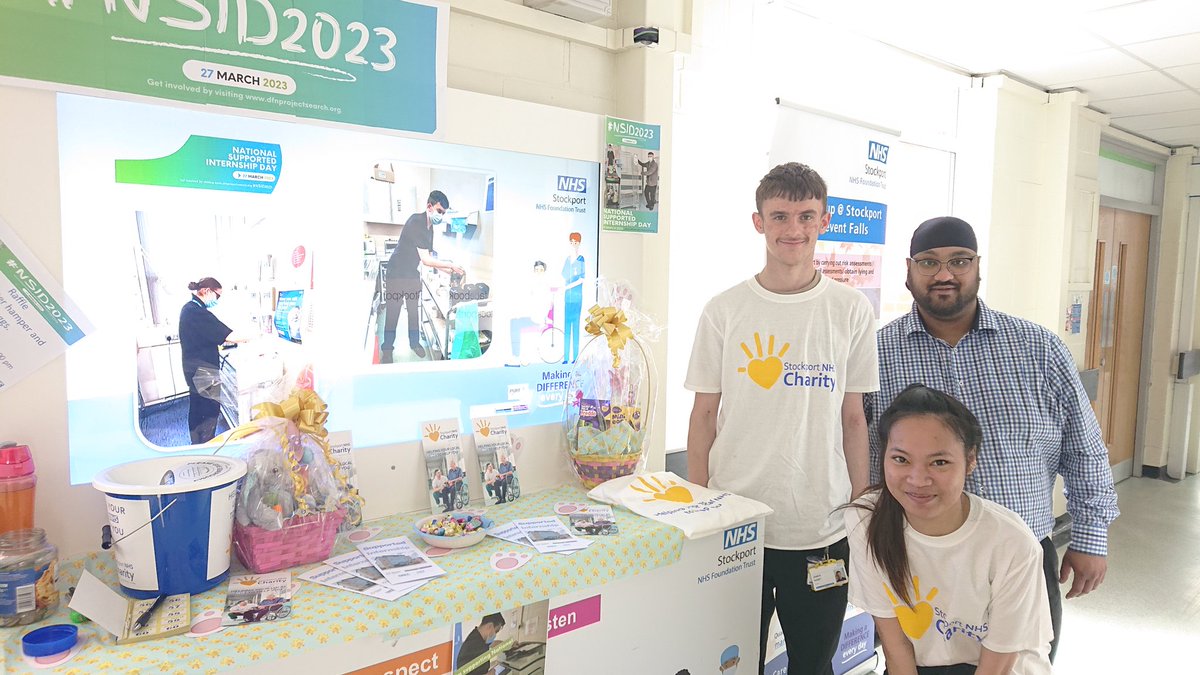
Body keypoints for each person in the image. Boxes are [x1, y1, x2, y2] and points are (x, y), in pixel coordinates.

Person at [865, 216, 1119, 661]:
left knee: (1020, 666)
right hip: (917, 559)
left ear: (978, 266)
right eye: (929, 262)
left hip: (1021, 558)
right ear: (908, 270)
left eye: (959, 261)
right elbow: (868, 459)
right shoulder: (875, 354)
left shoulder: (1038, 348)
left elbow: (1084, 448)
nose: (944, 274)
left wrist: (1090, 536)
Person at [685, 162, 879, 675]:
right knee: (728, 661)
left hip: (821, 527)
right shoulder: (724, 310)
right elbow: (704, 414)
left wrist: (860, 509)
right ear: (758, 222)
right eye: (780, 216)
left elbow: (853, 418)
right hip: (736, 523)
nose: (793, 229)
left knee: (814, 664)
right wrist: (699, 506)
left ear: (825, 220)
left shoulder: (851, 309)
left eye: (805, 216)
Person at [846, 384, 1052, 675]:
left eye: (939, 462)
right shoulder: (865, 519)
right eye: (901, 459)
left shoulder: (1012, 544)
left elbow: (997, 665)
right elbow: (896, 647)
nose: (917, 480)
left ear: (970, 461)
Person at [381, 190, 464, 362]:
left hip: (411, 273)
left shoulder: (430, 228)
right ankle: (387, 349)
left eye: (443, 213)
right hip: (396, 274)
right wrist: (450, 265)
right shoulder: (416, 222)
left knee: (413, 312)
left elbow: (429, 256)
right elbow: (426, 260)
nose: (441, 216)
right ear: (429, 206)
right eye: (439, 211)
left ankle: (415, 343)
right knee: (393, 313)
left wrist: (448, 271)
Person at [179, 277, 238, 444]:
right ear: (205, 291)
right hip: (202, 371)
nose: (217, 300)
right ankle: (206, 445)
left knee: (197, 407)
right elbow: (229, 335)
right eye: (217, 296)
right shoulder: (197, 312)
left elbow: (209, 334)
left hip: (194, 369)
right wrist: (255, 336)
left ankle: (197, 443)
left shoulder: (189, 308)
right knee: (209, 409)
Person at [561, 233, 586, 364]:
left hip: (577, 297)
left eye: (576, 242)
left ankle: (575, 357)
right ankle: (566, 358)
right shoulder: (568, 259)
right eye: (572, 242)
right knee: (566, 327)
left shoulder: (581, 259)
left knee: (575, 326)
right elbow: (564, 275)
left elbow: (582, 278)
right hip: (567, 298)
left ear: (579, 243)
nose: (573, 244)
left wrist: (569, 285)